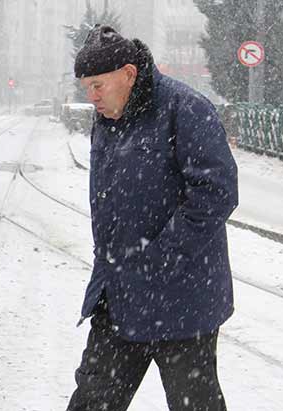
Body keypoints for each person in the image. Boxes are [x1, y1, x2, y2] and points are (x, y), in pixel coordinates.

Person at [66, 25, 239, 410]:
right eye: (85, 87)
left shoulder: (185, 109)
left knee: (195, 403)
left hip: (181, 301)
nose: (90, 96)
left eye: (97, 85)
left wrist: (160, 259)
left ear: (129, 73)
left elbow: (216, 193)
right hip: (118, 297)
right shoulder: (109, 117)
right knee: (93, 401)